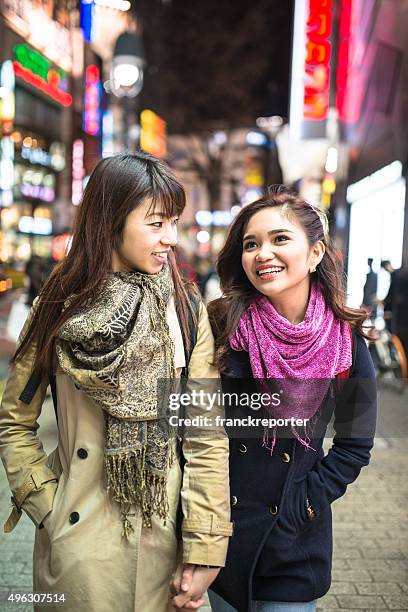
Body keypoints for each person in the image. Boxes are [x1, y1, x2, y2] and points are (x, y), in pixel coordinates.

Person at [0, 152, 232, 612]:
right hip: (78, 546)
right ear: (110, 221)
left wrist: (205, 550)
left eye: (174, 223)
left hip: (165, 544)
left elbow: (205, 437)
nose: (171, 239)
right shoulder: (58, 306)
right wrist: (49, 506)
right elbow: (14, 421)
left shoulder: (184, 310)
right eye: (156, 223)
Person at [207, 186, 377, 612]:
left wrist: (302, 503)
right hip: (224, 535)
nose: (263, 253)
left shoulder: (346, 342)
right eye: (251, 244)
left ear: (316, 253)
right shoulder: (222, 327)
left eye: (280, 238)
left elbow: (354, 445)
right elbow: (193, 428)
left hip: (294, 544)